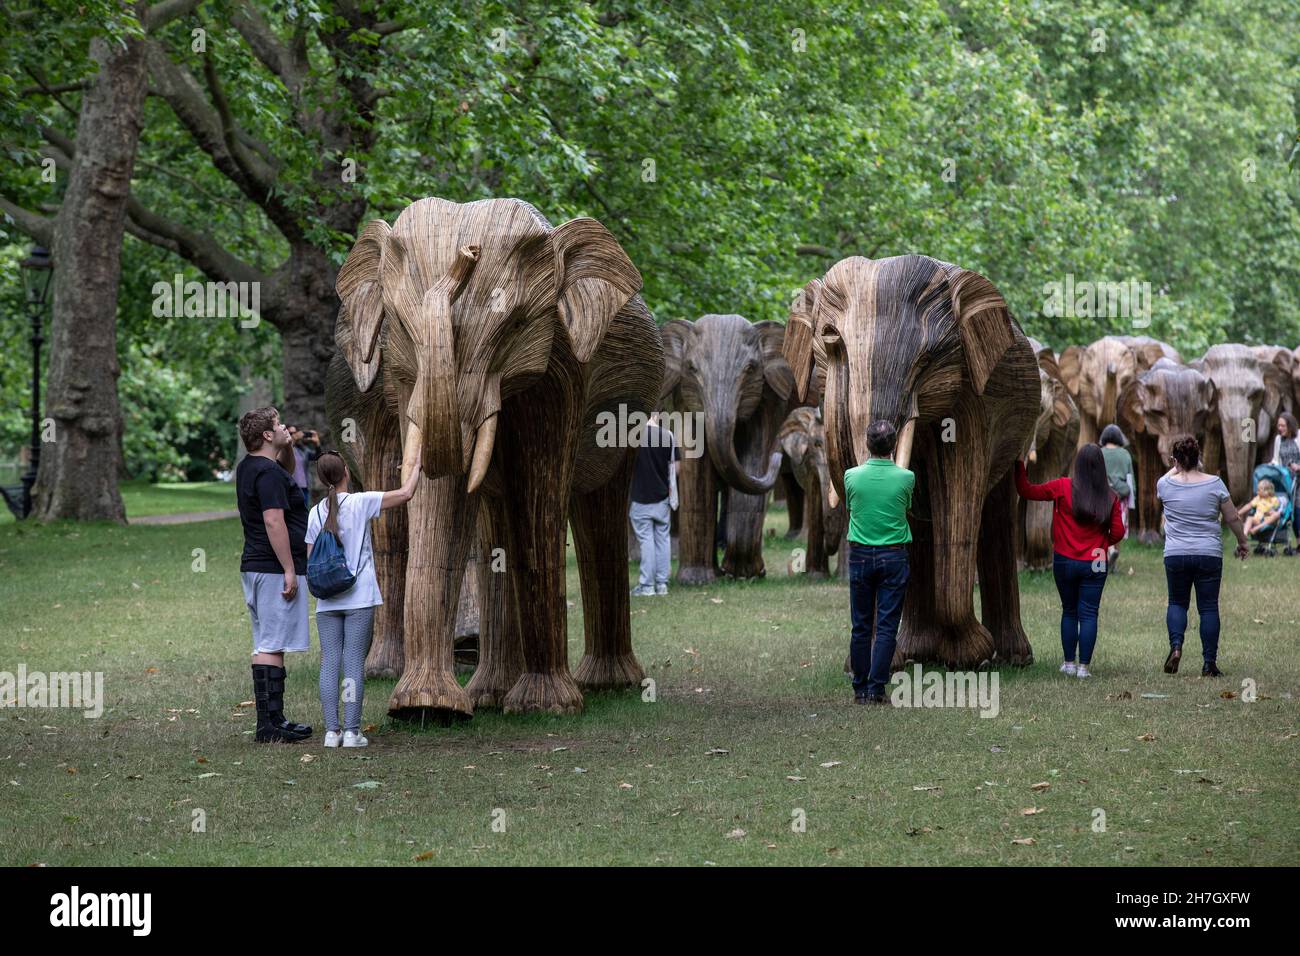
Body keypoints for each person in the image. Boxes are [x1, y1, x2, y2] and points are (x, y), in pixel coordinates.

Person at [305, 450, 420, 748]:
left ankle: (332, 732)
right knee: (354, 661)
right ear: (346, 471)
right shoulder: (360, 502)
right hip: (359, 597)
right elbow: (406, 494)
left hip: (327, 601)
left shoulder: (315, 512)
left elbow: (311, 560)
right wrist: (415, 464)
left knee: (330, 662)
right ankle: (353, 732)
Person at [235, 407, 313, 743]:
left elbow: (291, 472)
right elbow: (273, 521)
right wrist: (289, 569)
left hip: (259, 567)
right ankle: (268, 726)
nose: (285, 427)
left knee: (269, 642)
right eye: (278, 425)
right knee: (271, 643)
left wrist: (288, 445)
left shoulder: (258, 467)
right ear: (266, 435)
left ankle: (275, 720)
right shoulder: (265, 474)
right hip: (271, 568)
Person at [1015, 444, 1125, 678]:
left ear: (1079, 465)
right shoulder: (1110, 496)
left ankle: (1068, 663)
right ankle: (1084, 667)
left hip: (1065, 559)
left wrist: (1019, 463)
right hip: (1096, 561)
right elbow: (1118, 532)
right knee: (1089, 613)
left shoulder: (1062, 487)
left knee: (1069, 610)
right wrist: (1101, 542)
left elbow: (1026, 490)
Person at [1157, 435, 1249, 677]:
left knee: (1177, 602)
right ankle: (1209, 664)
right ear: (1199, 458)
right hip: (1208, 554)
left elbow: (1168, 475)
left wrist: (1176, 464)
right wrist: (1242, 542)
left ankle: (1176, 647)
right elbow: (1232, 517)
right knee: (1208, 608)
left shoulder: (1165, 485)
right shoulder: (1215, 483)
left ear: (1175, 460)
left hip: (1176, 554)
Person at [843, 420, 914, 704]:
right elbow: (906, 507)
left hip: (860, 555)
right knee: (886, 626)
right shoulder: (906, 477)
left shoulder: (851, 476)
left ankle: (859, 689)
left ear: (867, 445)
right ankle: (876, 689)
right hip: (894, 556)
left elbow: (851, 507)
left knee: (860, 625)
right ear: (894, 445)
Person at [629, 413, 680, 597]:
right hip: (662, 498)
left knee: (646, 541)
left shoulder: (632, 436)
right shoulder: (668, 435)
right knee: (662, 540)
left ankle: (647, 586)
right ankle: (662, 585)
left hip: (640, 498)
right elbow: (676, 467)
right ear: (656, 415)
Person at [1099, 424, 1135, 568]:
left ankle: (1102, 561)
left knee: (1101, 530)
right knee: (1117, 529)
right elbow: (1130, 479)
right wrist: (1133, 499)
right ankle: (1113, 562)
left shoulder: (1099, 452)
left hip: (1102, 497)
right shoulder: (1125, 454)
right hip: (1120, 497)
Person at [1269, 412, 1300, 548]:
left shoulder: (1299, 436)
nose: (1280, 428)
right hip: (1287, 481)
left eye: (1283, 425)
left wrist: (1298, 466)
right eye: (1279, 425)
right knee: (1290, 511)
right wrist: (1271, 465)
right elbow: (1276, 459)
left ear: (1290, 425)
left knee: (1298, 510)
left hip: (1299, 479)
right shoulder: (1278, 439)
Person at [1238, 477, 1282, 542]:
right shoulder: (1258, 498)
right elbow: (1249, 505)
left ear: (1267, 491)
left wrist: (1271, 512)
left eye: (1259, 490)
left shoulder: (1274, 500)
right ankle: (1244, 535)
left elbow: (1277, 509)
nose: (1257, 491)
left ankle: (1255, 529)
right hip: (1258, 520)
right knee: (1250, 518)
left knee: (1277, 514)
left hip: (1269, 521)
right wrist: (1238, 513)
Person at [289, 426, 321, 507]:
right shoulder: (285, 449)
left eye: (295, 432)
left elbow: (317, 457)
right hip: (291, 488)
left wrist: (317, 444)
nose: (293, 435)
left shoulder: (302, 449)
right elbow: (287, 450)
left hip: (304, 487)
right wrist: (293, 440)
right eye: (290, 433)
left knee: (305, 511)